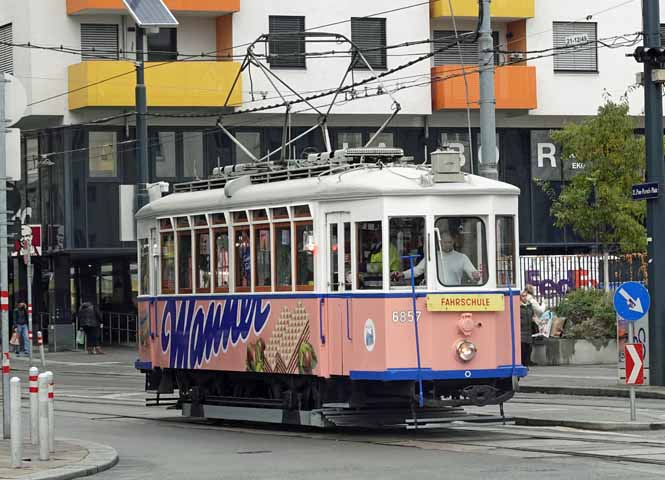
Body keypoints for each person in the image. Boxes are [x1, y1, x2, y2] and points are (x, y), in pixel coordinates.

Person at [394, 232, 481, 285]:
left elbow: (473, 273)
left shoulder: (462, 258)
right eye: (445, 242)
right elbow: (418, 270)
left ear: (453, 242)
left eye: (449, 242)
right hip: (436, 294)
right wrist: (403, 274)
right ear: (440, 242)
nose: (447, 244)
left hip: (454, 295)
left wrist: (476, 276)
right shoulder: (433, 256)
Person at [520, 289, 539, 366]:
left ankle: (528, 361)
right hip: (521, 330)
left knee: (529, 347)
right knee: (523, 347)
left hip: (529, 329)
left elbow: (533, 315)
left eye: (526, 296)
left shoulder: (529, 305)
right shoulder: (518, 306)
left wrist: (536, 321)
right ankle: (523, 362)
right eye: (523, 296)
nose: (525, 297)